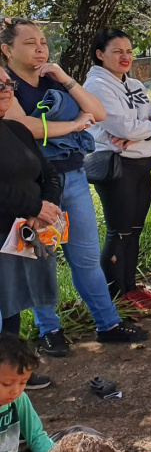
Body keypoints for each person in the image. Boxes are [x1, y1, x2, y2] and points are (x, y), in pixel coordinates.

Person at [2, 17, 149, 356]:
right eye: (30, 42)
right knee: (40, 258)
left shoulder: (53, 82)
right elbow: (27, 129)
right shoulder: (5, 87)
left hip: (74, 177)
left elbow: (96, 112)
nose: (40, 47)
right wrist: (74, 124)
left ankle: (108, 323)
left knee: (85, 257)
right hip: (33, 190)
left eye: (43, 41)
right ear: (6, 50)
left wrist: (65, 78)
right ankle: (49, 331)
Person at [84, 29, 151, 309]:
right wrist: (149, 128)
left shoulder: (135, 85)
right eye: (118, 51)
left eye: (129, 51)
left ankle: (130, 288)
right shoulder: (96, 86)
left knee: (135, 229)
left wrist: (145, 130)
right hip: (116, 166)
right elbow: (126, 126)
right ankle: (115, 297)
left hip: (143, 162)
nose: (125, 56)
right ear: (100, 54)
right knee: (118, 231)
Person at [0, 68, 60, 390]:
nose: (6, 89)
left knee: (13, 305)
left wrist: (44, 209)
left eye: (8, 83)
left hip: (20, 234)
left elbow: (50, 173)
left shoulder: (16, 130)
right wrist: (32, 207)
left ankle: (11, 373)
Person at [0, 333, 54, 452]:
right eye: (7, 384)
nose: (16, 390)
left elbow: (36, 437)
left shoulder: (19, 399)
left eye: (23, 382)